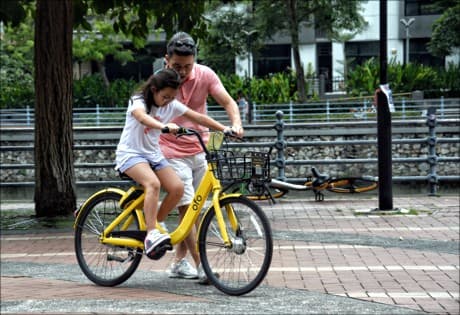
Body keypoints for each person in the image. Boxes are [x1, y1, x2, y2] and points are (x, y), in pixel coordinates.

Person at [115, 68, 231, 261]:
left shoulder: (172, 104)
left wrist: (226, 129)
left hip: (153, 155)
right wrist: (163, 127)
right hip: (131, 154)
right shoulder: (139, 100)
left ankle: (157, 223)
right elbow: (141, 117)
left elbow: (199, 118)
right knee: (153, 184)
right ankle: (151, 234)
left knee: (177, 188)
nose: (168, 101)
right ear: (153, 89)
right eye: (165, 96)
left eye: (172, 97)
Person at [159, 32, 244, 282]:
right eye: (177, 66)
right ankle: (202, 265)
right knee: (187, 208)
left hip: (200, 149)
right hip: (170, 151)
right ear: (167, 60)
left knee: (194, 212)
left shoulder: (205, 75)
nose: (183, 72)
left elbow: (228, 101)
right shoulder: (161, 80)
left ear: (195, 60)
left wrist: (236, 124)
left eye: (188, 66)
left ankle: (178, 263)